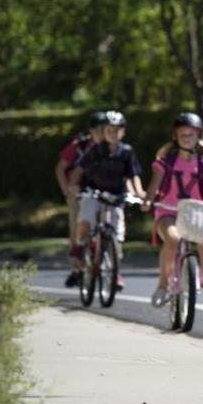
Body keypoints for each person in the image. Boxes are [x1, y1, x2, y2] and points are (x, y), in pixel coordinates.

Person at [144, 112, 203, 307]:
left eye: (191, 134)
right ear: (175, 137)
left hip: (195, 212)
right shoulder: (167, 161)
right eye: (183, 135)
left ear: (199, 136)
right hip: (168, 211)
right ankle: (163, 284)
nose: (187, 138)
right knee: (173, 238)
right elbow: (154, 186)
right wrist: (147, 200)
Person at [67, 110, 147, 291]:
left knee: (117, 235)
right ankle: (79, 246)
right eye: (109, 130)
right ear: (104, 132)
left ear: (123, 132)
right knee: (86, 220)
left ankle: (114, 271)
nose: (113, 134)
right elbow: (79, 170)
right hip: (94, 192)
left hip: (116, 194)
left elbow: (133, 175)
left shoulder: (127, 152)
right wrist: (74, 185)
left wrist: (139, 192)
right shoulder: (96, 150)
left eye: (117, 130)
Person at [55, 110, 106, 287]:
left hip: (103, 191)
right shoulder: (80, 146)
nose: (102, 133)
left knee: (110, 225)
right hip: (79, 191)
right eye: (98, 130)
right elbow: (61, 168)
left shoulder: (114, 147)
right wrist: (67, 191)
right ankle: (77, 267)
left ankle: (109, 264)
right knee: (78, 225)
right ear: (91, 131)